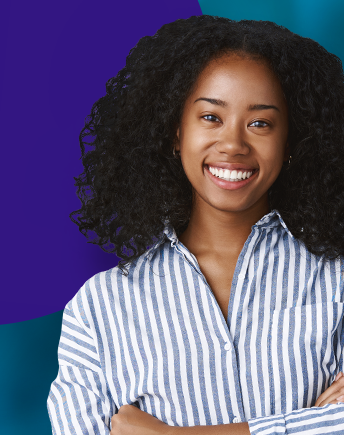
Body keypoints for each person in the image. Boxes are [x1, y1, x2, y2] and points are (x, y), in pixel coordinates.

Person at [47, 15, 344, 435]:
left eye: (260, 123)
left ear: (291, 142)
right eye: (210, 117)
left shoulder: (337, 278)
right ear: (174, 131)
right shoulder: (99, 311)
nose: (233, 144)